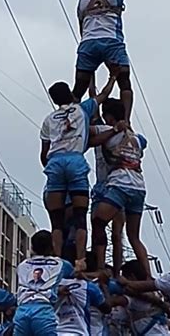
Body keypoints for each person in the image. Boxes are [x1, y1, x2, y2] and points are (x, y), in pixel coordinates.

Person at [40, 76, 123, 269]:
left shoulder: (48, 120)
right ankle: (80, 260)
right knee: (80, 217)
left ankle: (58, 261)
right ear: (71, 94)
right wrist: (112, 77)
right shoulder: (82, 109)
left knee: (56, 221)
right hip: (75, 161)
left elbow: (43, 153)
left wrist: (51, 166)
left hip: (55, 163)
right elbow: (103, 95)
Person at [73, 0, 134, 123]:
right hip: (111, 42)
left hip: (88, 43)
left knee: (79, 88)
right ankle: (126, 121)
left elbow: (82, 27)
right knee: (124, 81)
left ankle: (70, 118)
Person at [90, 98, 150, 279]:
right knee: (134, 236)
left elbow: (89, 135)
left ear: (109, 116)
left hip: (120, 184)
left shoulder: (106, 130)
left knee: (98, 221)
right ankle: (148, 276)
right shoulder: (138, 138)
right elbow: (144, 143)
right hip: (139, 187)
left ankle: (101, 266)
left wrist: (114, 130)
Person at [14, 230, 74, 336]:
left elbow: (34, 285)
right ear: (52, 246)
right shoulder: (60, 264)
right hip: (43, 311)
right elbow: (74, 273)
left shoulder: (22, 265)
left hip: (22, 311)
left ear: (32, 247)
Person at [110, 260, 170, 336]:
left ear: (132, 277)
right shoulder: (155, 293)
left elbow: (115, 301)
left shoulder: (135, 297)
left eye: (124, 277)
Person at [56, 270, 110, 335]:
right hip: (80, 332)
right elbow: (107, 308)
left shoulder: (48, 287)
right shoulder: (87, 286)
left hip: (56, 332)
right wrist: (104, 287)